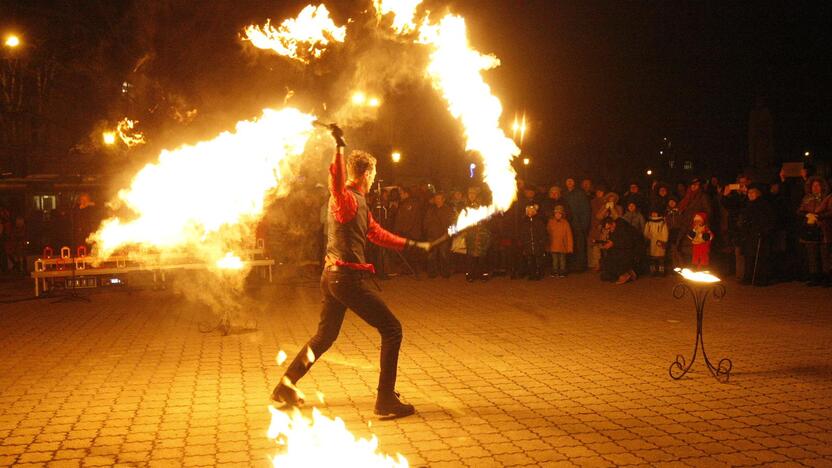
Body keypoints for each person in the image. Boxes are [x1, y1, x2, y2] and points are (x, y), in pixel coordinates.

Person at [272, 126, 430, 418]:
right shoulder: (344, 198)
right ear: (367, 174)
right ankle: (385, 400)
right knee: (392, 329)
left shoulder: (360, 203)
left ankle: (286, 385)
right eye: (372, 176)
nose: (373, 181)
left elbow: (376, 233)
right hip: (345, 278)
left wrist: (409, 243)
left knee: (324, 337)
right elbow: (335, 179)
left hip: (333, 278)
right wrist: (339, 145)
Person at [738, 184, 776, 286]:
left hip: (760, 235)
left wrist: (764, 231)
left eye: (752, 192)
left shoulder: (764, 205)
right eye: (749, 193)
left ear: (758, 193)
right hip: (749, 235)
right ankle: (748, 277)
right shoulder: (748, 204)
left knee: (760, 257)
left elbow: (769, 220)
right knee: (749, 257)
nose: (750, 195)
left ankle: (761, 278)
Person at [798, 176, 831, 286]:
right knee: (812, 254)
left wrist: (818, 216)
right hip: (810, 230)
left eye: (817, 185)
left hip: (823, 229)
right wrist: (807, 214)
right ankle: (814, 277)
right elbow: (800, 210)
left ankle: (827, 278)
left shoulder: (827, 198)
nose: (815, 188)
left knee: (825, 255)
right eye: (813, 186)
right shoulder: (807, 198)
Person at [599, 217, 641, 284]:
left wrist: (613, 244)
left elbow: (629, 244)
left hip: (633, 251)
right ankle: (628, 271)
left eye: (609, 228)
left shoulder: (624, 228)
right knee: (605, 275)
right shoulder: (615, 229)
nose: (609, 231)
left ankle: (624, 274)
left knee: (614, 256)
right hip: (625, 249)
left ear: (613, 224)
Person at [423, 193, 455, 278]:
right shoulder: (431, 209)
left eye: (439, 198)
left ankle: (445, 273)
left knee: (444, 255)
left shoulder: (448, 210)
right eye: (436, 198)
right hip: (432, 236)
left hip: (443, 236)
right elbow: (426, 221)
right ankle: (432, 273)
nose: (437, 200)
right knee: (431, 256)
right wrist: (427, 230)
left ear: (443, 199)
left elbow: (452, 222)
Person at [564, 178, 590, 272]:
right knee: (570, 245)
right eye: (568, 181)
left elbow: (586, 209)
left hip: (578, 223)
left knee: (580, 245)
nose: (569, 182)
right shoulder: (564, 194)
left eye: (571, 181)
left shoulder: (580, 194)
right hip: (567, 224)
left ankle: (580, 266)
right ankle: (571, 265)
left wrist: (584, 224)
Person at [520, 203, 547, 280]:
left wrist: (542, 241)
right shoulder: (524, 222)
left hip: (538, 244)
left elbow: (543, 232)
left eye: (532, 211)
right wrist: (523, 242)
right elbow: (522, 233)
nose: (530, 213)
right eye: (528, 211)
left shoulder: (539, 221)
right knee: (530, 261)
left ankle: (539, 274)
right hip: (528, 244)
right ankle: (532, 274)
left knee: (538, 260)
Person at [547, 205, 573, 278]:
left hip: (562, 245)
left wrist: (570, 247)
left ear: (562, 215)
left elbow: (569, 235)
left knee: (562, 260)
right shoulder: (551, 222)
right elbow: (548, 234)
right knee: (555, 260)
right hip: (553, 245)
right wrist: (547, 245)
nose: (558, 215)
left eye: (559, 214)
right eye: (556, 214)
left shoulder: (565, 223)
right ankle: (555, 271)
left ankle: (562, 271)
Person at [587, 187, 607, 271]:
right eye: (598, 191)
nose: (599, 193)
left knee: (604, 246)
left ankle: (605, 265)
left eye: (601, 191)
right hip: (594, 226)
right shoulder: (593, 202)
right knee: (595, 245)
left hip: (604, 226)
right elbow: (592, 214)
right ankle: (596, 264)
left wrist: (602, 224)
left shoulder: (606, 202)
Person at [644, 208, 669, 276]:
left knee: (661, 258)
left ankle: (661, 271)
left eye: (655, 213)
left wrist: (664, 240)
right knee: (652, 258)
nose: (654, 214)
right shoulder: (649, 222)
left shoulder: (662, 222)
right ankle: (653, 271)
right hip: (651, 242)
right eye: (653, 213)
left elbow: (665, 232)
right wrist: (646, 239)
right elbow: (646, 232)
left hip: (659, 242)